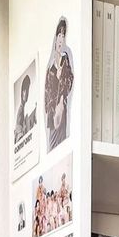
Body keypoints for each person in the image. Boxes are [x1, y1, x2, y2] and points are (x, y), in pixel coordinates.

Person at [44, 18, 74, 152]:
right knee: (52, 146)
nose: (61, 39)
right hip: (51, 112)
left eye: (63, 36)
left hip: (61, 108)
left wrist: (62, 100)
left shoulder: (65, 57)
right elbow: (47, 90)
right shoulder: (50, 64)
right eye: (59, 35)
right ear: (55, 38)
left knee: (61, 144)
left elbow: (70, 79)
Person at [14, 73, 35, 143]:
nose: (27, 94)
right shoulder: (21, 110)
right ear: (22, 92)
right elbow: (19, 134)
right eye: (26, 90)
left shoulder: (23, 109)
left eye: (28, 90)